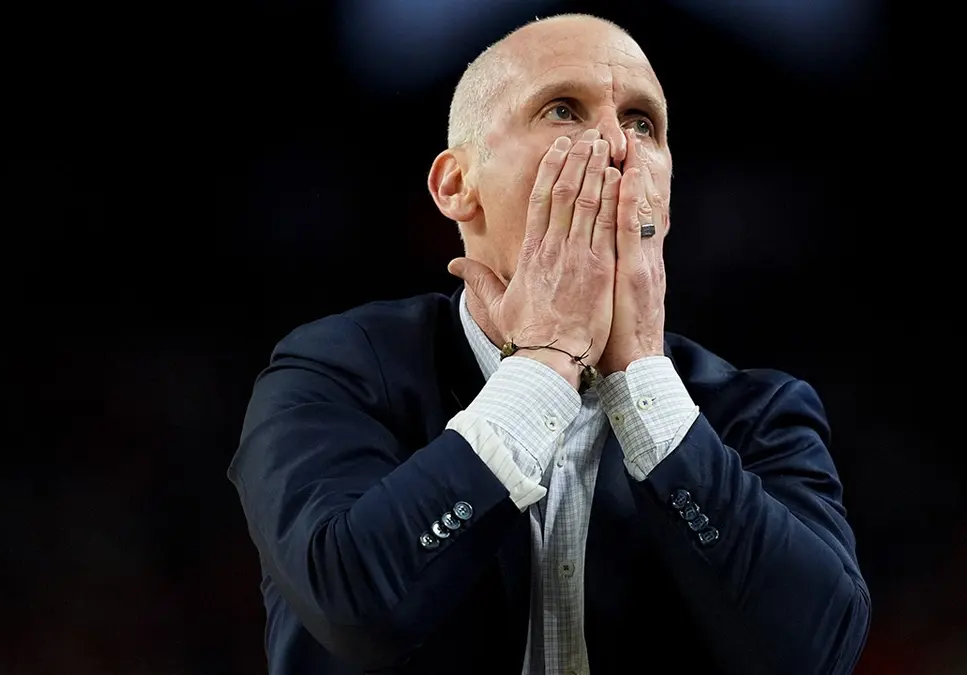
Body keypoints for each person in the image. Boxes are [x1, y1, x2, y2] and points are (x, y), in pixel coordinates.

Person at [228, 13, 870, 675]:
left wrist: (644, 378)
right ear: (456, 184)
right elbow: (354, 607)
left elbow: (818, 655)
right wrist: (543, 364)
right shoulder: (330, 373)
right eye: (563, 110)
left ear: (667, 198)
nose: (616, 145)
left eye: (643, 122)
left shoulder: (757, 411)